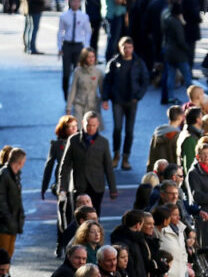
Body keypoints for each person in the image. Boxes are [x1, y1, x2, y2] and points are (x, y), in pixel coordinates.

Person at [103, 37, 150, 171]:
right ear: (120, 48)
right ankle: (116, 155)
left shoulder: (138, 63)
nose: (127, 50)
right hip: (117, 100)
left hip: (132, 100)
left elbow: (145, 80)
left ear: (133, 48)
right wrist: (105, 98)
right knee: (117, 128)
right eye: (124, 47)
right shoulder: (114, 62)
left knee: (129, 130)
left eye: (129, 47)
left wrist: (138, 96)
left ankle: (126, 157)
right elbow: (107, 81)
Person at [58, 110, 118, 212]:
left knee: (94, 216)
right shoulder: (73, 140)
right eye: (88, 125)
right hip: (78, 186)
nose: (91, 128)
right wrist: (63, 187)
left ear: (98, 124)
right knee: (77, 217)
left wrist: (113, 188)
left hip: (96, 187)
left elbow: (108, 167)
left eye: (94, 125)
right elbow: (65, 165)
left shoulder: (103, 142)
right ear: (82, 123)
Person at [0, 147, 26, 255]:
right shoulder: (3, 174)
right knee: (1, 256)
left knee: (8, 255)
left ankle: (5, 272)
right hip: (4, 223)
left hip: (12, 221)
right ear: (19, 162)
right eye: (24, 161)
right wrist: (9, 219)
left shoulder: (15, 175)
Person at [57, 0, 93, 98]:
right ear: (70, 2)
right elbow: (60, 32)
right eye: (74, 1)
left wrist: (86, 46)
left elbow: (87, 31)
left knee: (78, 71)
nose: (76, 3)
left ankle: (77, 94)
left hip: (78, 45)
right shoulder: (64, 16)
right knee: (66, 73)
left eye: (78, 1)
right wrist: (59, 46)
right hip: (67, 45)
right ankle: (66, 94)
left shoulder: (83, 16)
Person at [42, 115, 78, 201]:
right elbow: (49, 166)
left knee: (79, 208)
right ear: (64, 129)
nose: (74, 128)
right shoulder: (56, 145)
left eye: (75, 126)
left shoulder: (81, 142)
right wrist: (44, 187)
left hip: (78, 183)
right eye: (71, 126)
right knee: (63, 207)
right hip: (62, 185)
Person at [67, 48, 104, 123]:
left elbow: (102, 89)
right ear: (84, 58)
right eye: (88, 57)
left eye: (93, 57)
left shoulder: (98, 72)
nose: (91, 59)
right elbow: (73, 90)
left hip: (93, 105)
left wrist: (104, 101)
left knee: (91, 130)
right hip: (79, 104)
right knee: (80, 129)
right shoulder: (78, 71)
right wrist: (69, 107)